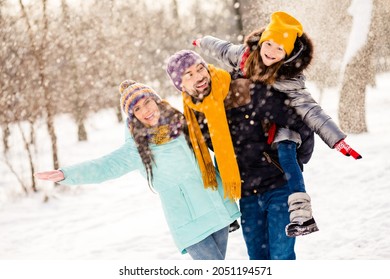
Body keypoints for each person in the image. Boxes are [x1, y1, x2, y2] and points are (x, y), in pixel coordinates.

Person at [192, 11, 362, 237]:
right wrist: (202, 41)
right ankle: (225, 209)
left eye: (279, 48)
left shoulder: (290, 79)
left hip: (278, 125)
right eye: (269, 44)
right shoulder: (242, 56)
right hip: (247, 126)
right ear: (262, 41)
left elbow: (311, 110)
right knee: (225, 148)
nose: (271, 51)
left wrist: (337, 140)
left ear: (287, 54)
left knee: (286, 143)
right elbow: (221, 48)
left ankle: (301, 211)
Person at [34, 80, 241, 260]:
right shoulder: (137, 147)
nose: (146, 111)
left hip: (217, 207)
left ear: (156, 100)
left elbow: (219, 139)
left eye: (147, 102)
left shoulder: (184, 122)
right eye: (137, 109)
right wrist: (67, 174)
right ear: (133, 116)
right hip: (189, 221)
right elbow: (105, 166)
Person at [166, 49, 315, 260]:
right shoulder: (195, 113)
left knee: (281, 255)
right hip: (246, 194)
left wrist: (298, 160)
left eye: (200, 68)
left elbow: (296, 120)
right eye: (188, 74)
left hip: (278, 185)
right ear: (180, 85)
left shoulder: (243, 90)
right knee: (257, 257)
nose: (199, 76)